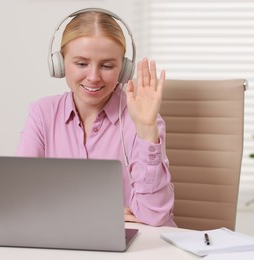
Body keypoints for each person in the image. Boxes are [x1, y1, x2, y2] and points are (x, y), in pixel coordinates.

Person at [16, 8, 176, 227]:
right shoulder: (42, 113)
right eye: (81, 64)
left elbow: (153, 217)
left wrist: (146, 130)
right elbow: (21, 199)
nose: (93, 77)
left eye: (107, 66)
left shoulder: (142, 119)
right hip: (69, 239)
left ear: (124, 70)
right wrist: (97, 211)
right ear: (60, 64)